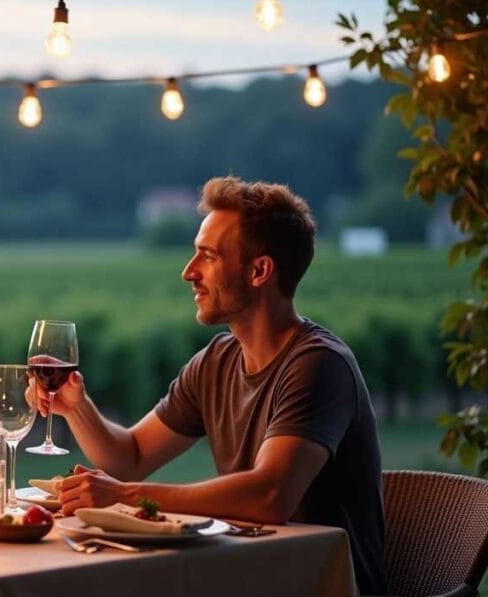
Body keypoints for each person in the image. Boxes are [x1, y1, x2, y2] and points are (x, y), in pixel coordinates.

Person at [32, 177, 386, 595]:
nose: (188, 272)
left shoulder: (318, 365)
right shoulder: (217, 360)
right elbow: (131, 455)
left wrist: (125, 496)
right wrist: (76, 405)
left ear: (259, 271)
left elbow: (269, 496)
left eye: (208, 256)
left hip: (314, 585)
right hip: (247, 576)